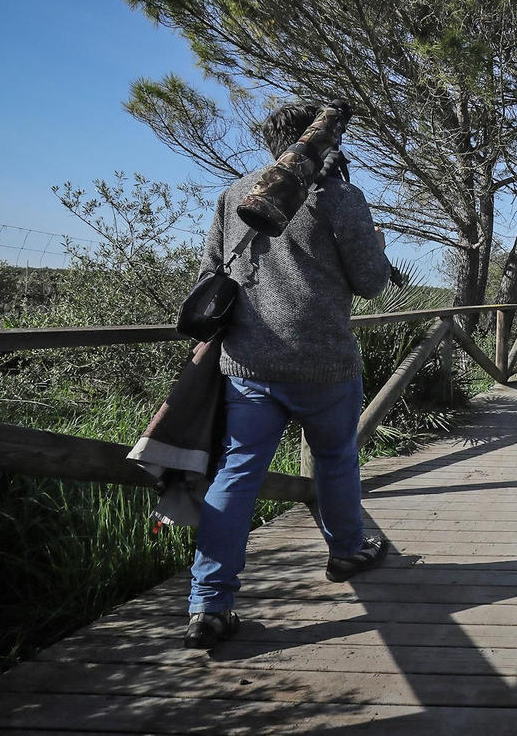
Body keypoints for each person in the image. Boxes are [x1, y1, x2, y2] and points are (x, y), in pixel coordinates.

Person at [183, 100, 394, 649]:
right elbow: (373, 284)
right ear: (325, 141)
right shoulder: (340, 197)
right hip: (324, 365)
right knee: (335, 459)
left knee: (236, 475)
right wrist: (374, 243)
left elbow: (210, 275)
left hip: (248, 364)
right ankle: (346, 551)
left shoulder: (234, 195)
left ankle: (209, 603)